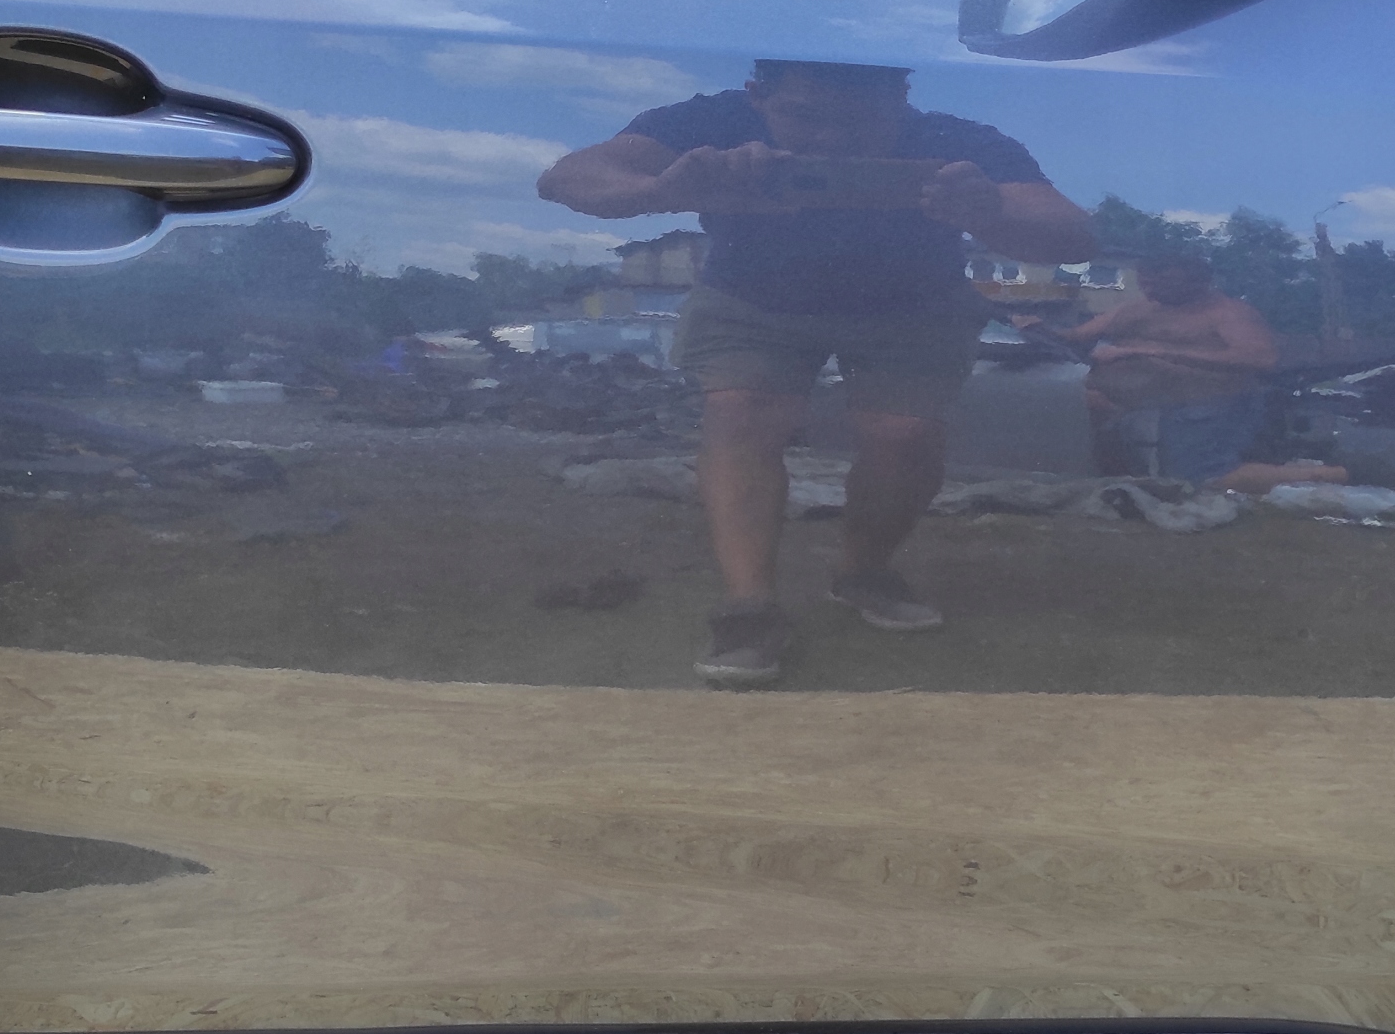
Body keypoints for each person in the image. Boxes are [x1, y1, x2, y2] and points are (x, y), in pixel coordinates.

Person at [539, 60, 1094, 687]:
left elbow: (1074, 236)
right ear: (758, 97)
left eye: (860, 120)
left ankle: (865, 571)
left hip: (913, 303)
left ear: (900, 98)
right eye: (805, 116)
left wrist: (988, 210)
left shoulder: (953, 141)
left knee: (903, 434)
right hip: (752, 297)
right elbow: (564, 178)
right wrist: (663, 189)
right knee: (741, 412)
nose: (831, 138)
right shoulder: (712, 120)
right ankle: (748, 606)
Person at [1037, 251, 1327, 488]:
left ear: (1198, 283)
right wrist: (1036, 328)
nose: (1151, 291)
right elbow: (1075, 338)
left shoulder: (1229, 313)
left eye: (1161, 284)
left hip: (1207, 406)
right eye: (1146, 283)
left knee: (1199, 479)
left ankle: (1332, 475)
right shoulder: (1136, 308)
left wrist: (1151, 352)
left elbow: (1260, 358)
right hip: (1130, 406)